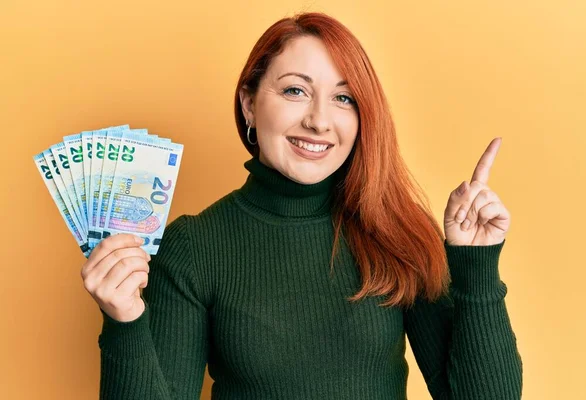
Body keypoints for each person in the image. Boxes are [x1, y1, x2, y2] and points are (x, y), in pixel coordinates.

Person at [81, 12, 523, 400]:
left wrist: (475, 264)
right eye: (295, 91)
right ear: (249, 104)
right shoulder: (193, 246)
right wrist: (125, 321)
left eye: (343, 98)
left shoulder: (397, 230)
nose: (319, 119)